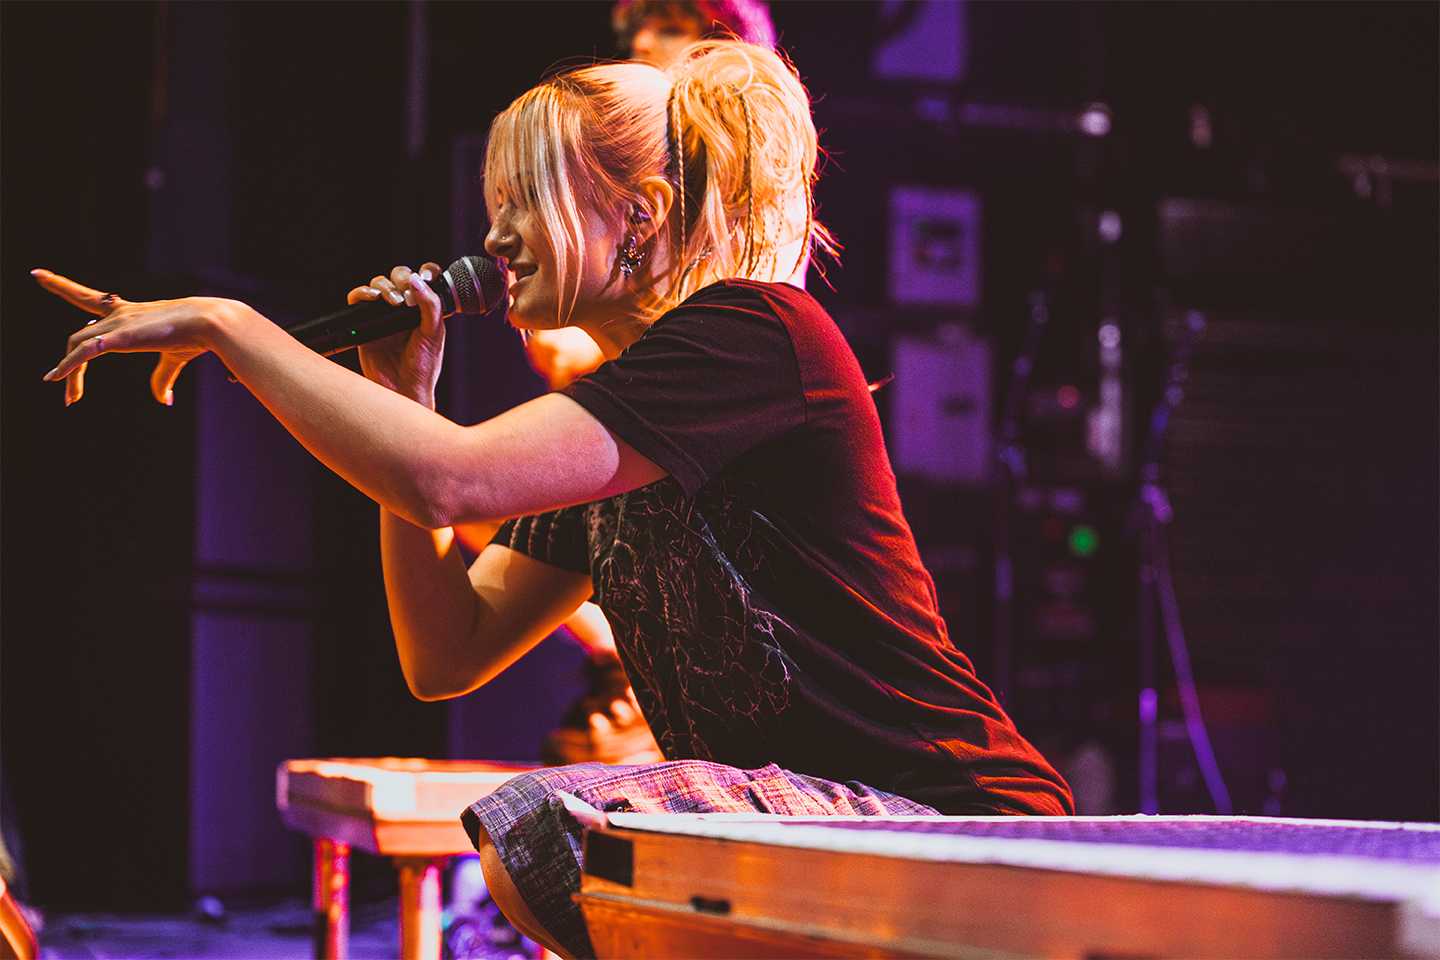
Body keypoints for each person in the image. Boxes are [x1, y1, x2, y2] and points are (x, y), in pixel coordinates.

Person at [37, 40, 1072, 960]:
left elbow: (449, 476)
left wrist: (229, 325)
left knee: (553, 832)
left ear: (639, 215)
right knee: (557, 839)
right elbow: (445, 653)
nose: (494, 238)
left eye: (524, 201)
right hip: (809, 818)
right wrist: (404, 402)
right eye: (493, 206)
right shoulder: (612, 435)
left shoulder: (759, 332)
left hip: (939, 814)